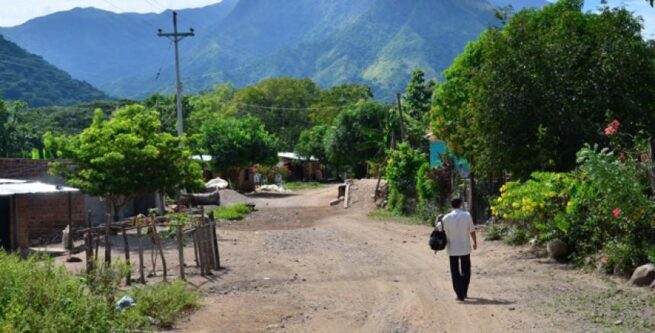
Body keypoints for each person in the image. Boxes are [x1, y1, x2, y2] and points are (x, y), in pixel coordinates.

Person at [436, 198, 477, 302]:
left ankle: (459, 294)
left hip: (452, 248)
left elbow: (437, 228)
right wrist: (475, 242)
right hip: (465, 248)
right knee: (466, 270)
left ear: (451, 205)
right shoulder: (467, 215)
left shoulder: (447, 217)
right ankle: (464, 291)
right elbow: (472, 230)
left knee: (454, 271)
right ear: (460, 205)